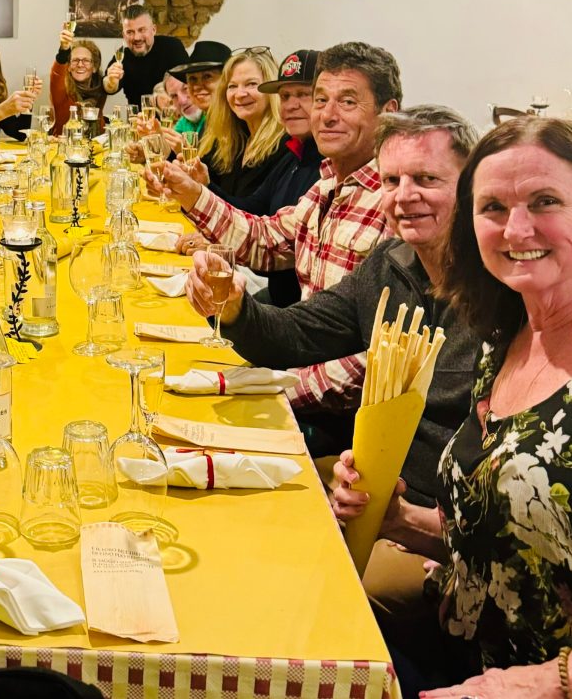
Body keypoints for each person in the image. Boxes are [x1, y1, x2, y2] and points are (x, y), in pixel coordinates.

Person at [186, 106, 479, 658]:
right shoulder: (393, 262)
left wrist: (409, 521)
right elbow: (300, 333)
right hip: (374, 491)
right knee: (241, 506)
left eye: (427, 180)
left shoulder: (500, 297)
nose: (403, 195)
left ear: (470, 187)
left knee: (301, 589)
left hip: (443, 531)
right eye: (392, 180)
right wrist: (234, 308)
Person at [336, 117, 572, 698]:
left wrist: (550, 681)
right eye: (492, 207)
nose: (516, 228)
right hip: (453, 647)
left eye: (545, 201)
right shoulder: (507, 337)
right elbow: (508, 538)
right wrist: (400, 522)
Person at [155, 42, 403, 450]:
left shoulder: (396, 202)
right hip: (297, 370)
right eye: (320, 99)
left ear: (388, 112)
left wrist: (278, 389)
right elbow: (263, 240)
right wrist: (190, 193)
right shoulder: (326, 187)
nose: (326, 113)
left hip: (345, 425)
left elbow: (385, 361)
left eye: (347, 101)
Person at [192, 49, 324, 307]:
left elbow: (271, 244)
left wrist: (198, 193)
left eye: (303, 95)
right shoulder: (294, 154)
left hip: (293, 311)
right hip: (279, 302)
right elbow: (255, 212)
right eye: (285, 96)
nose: (291, 105)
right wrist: (196, 191)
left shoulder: (325, 166)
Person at [196, 48, 289, 199]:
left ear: (272, 89)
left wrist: (203, 187)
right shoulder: (232, 140)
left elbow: (254, 214)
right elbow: (201, 178)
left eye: (251, 84)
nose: (239, 94)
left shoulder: (285, 145)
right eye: (232, 86)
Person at [101, 5, 189, 105]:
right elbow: (108, 89)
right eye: (130, 32)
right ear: (124, 35)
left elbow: (188, 82)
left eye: (141, 30)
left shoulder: (172, 47)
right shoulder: (122, 55)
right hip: (137, 119)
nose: (137, 37)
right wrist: (111, 81)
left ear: (153, 30)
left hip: (171, 117)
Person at [50, 28, 106, 134]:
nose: (80, 65)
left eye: (86, 60)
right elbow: (56, 75)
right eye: (75, 60)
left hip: (95, 148)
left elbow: (111, 85)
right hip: (65, 148)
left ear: (94, 67)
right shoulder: (62, 91)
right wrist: (64, 51)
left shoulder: (100, 89)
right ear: (69, 67)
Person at [167, 39, 229, 134]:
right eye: (192, 78)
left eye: (207, 76)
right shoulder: (208, 123)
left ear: (226, 79)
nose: (196, 87)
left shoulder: (238, 123)